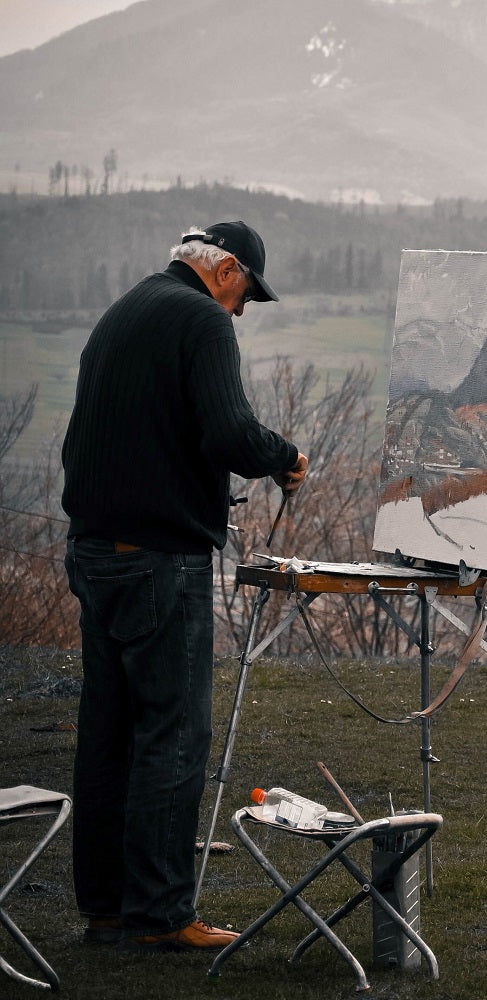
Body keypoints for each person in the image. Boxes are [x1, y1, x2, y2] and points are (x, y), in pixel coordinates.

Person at [61, 221, 308, 951]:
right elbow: (229, 434)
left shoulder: (127, 307)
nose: (241, 312)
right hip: (157, 560)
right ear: (225, 270)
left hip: (95, 552)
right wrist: (286, 456)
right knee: (173, 735)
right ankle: (163, 916)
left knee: (108, 735)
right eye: (246, 297)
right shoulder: (200, 319)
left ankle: (106, 908)